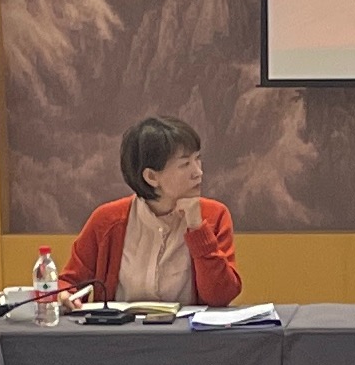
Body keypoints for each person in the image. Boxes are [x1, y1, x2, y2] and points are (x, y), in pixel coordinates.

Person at [64, 116, 244, 306]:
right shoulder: (106, 220)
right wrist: (65, 296)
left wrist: (197, 228)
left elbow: (221, 297)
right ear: (151, 177)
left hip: (187, 326)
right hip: (121, 326)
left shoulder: (214, 215)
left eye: (197, 159)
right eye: (185, 164)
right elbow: (68, 284)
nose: (198, 172)